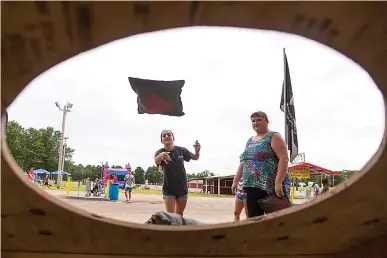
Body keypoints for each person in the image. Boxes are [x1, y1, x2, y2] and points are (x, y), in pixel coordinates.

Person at [232, 111, 291, 218]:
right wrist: (236, 180)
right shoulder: (250, 140)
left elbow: (284, 159)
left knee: (276, 219)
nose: (255, 123)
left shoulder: (274, 136)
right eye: (253, 121)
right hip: (250, 184)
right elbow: (244, 161)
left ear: (266, 121)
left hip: (269, 186)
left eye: (259, 120)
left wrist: (278, 182)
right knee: (254, 218)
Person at [154, 130, 201, 216]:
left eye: (169, 135)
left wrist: (197, 151)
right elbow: (157, 161)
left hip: (182, 187)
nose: (166, 136)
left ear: (173, 138)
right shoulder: (159, 152)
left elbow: (195, 157)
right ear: (161, 140)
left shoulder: (181, 150)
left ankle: (178, 228)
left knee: (179, 215)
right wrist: (161, 156)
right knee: (171, 216)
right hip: (169, 188)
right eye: (164, 135)